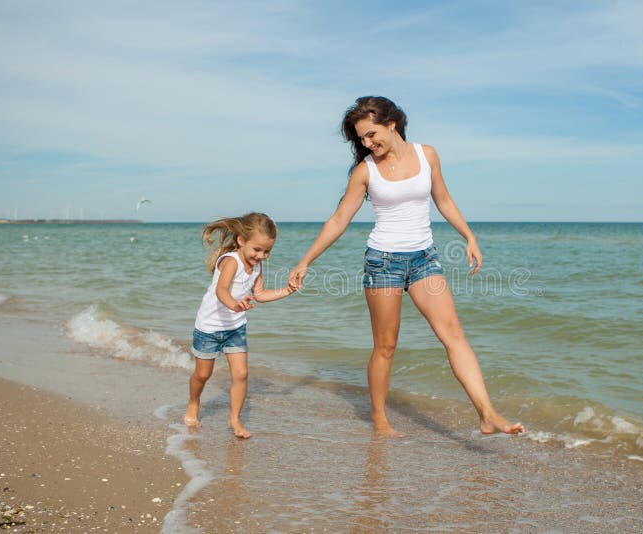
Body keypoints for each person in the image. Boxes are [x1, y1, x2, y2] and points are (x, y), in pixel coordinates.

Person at [289, 96, 524, 437]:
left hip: (424, 259)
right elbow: (339, 219)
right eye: (362, 139)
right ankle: (380, 419)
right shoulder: (365, 171)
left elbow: (443, 199)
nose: (368, 143)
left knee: (454, 336)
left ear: (391, 123)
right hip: (383, 262)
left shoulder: (427, 154)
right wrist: (305, 261)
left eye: (371, 135)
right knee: (386, 346)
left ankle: (487, 415)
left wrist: (469, 236)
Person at [185, 212, 295, 438]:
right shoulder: (230, 262)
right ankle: (194, 402)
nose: (261, 256)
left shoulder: (256, 267)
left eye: (267, 251)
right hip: (209, 327)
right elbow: (221, 290)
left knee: (241, 374)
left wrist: (287, 290)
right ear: (241, 240)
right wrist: (234, 305)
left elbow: (260, 294)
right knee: (203, 374)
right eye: (257, 249)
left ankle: (234, 419)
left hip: (235, 328)